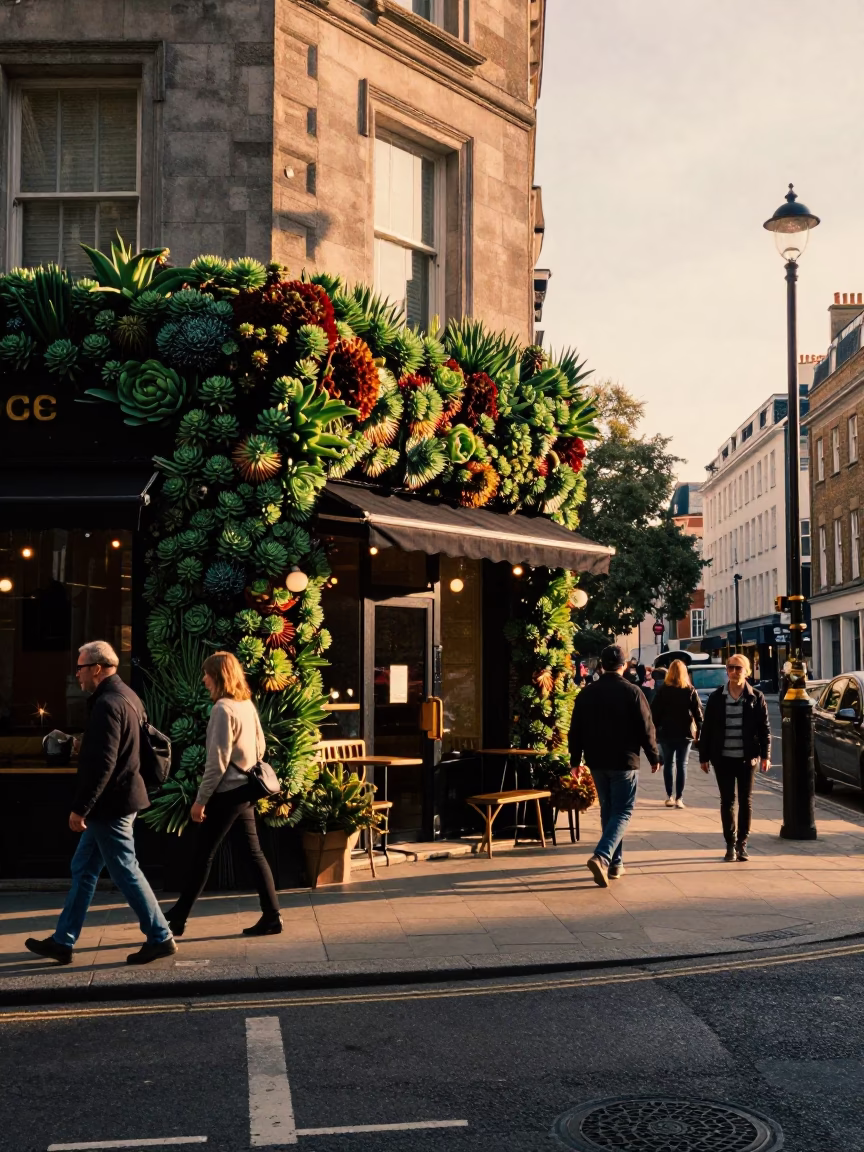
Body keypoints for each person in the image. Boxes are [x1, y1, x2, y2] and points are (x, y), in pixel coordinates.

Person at [25, 641, 176, 966]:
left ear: (97, 667)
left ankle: (160, 936)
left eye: (80, 667)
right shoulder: (127, 696)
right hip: (119, 800)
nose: (76, 674)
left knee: (125, 869)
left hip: (112, 804)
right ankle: (63, 941)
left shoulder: (108, 703)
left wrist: (82, 807)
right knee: (84, 868)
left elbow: (104, 763)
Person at [165, 651, 282, 937]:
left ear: (218, 676)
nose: (203, 679)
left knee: (203, 854)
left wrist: (200, 800)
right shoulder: (245, 705)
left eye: (206, 673)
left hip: (228, 792)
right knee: (254, 854)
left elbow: (216, 762)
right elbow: (261, 747)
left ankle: (178, 918)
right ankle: (272, 916)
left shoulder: (222, 709)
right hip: (245, 790)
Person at [569, 643, 661, 887]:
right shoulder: (632, 691)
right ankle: (602, 856)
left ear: (601, 664)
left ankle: (615, 863)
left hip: (597, 761)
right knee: (623, 811)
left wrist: (575, 760)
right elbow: (646, 727)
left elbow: (575, 729)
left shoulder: (587, 693)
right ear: (623, 666)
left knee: (609, 811)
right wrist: (654, 756)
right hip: (625, 760)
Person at [698, 653, 771, 862]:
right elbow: (707, 729)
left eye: (738, 668)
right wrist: (704, 756)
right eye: (730, 667)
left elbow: (764, 729)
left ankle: (742, 844)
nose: (733, 671)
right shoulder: (716, 697)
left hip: (748, 759)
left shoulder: (756, 697)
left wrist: (765, 755)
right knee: (727, 801)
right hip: (722, 758)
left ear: (746, 671)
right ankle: (730, 844)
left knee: (746, 802)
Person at [651, 658, 703, 808]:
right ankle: (679, 797)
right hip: (685, 732)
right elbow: (698, 714)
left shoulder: (662, 691)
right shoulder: (690, 690)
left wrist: (655, 731)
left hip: (666, 732)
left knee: (668, 763)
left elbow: (654, 714)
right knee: (682, 764)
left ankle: (669, 796)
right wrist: (699, 733)